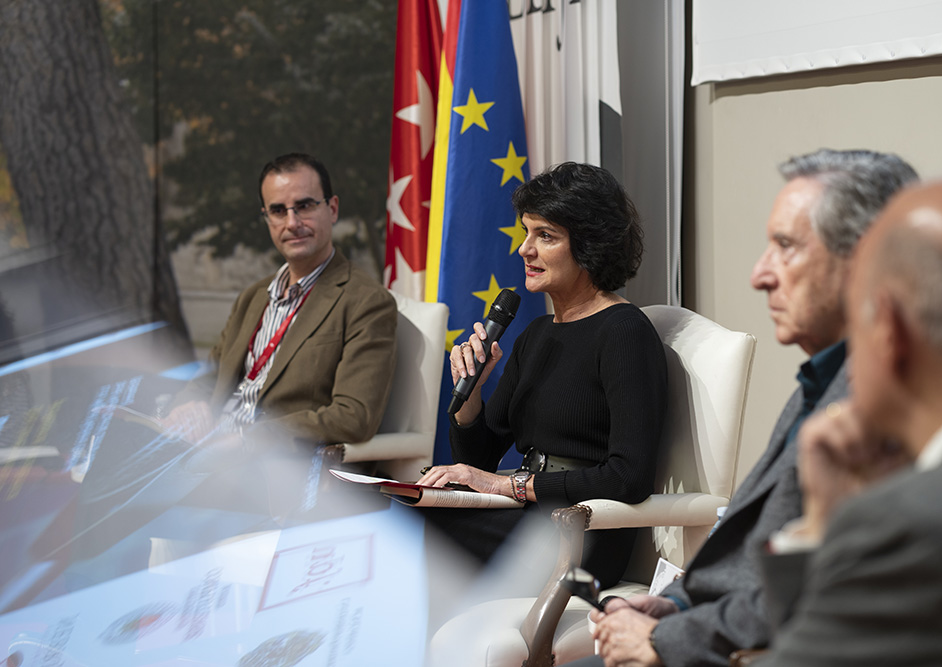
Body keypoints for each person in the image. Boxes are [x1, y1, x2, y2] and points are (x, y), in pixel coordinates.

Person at [569, 149, 918, 667]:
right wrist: (675, 604)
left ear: (862, 259)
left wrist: (668, 638)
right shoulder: (821, 382)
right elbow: (754, 554)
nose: (759, 275)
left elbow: (823, 590)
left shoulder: (886, 404)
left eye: (786, 247)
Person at [755, 177, 942, 666]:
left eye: (855, 320)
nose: (760, 275)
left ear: (889, 330)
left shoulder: (905, 530)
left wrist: (822, 529)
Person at [417, 162, 668, 587]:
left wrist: (509, 486)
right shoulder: (536, 334)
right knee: (408, 508)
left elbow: (628, 476)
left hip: (582, 531)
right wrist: (472, 393)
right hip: (529, 513)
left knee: (422, 531)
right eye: (526, 232)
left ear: (590, 245)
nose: (524, 249)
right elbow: (479, 460)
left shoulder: (624, 332)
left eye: (545, 236)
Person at [165, 152, 397, 456]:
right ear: (267, 218)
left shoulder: (366, 302)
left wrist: (251, 439)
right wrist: (186, 406)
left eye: (305, 206)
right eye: (278, 210)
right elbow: (212, 375)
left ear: (332, 209)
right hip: (205, 450)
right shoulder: (253, 296)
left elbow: (354, 416)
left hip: (275, 466)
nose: (292, 222)